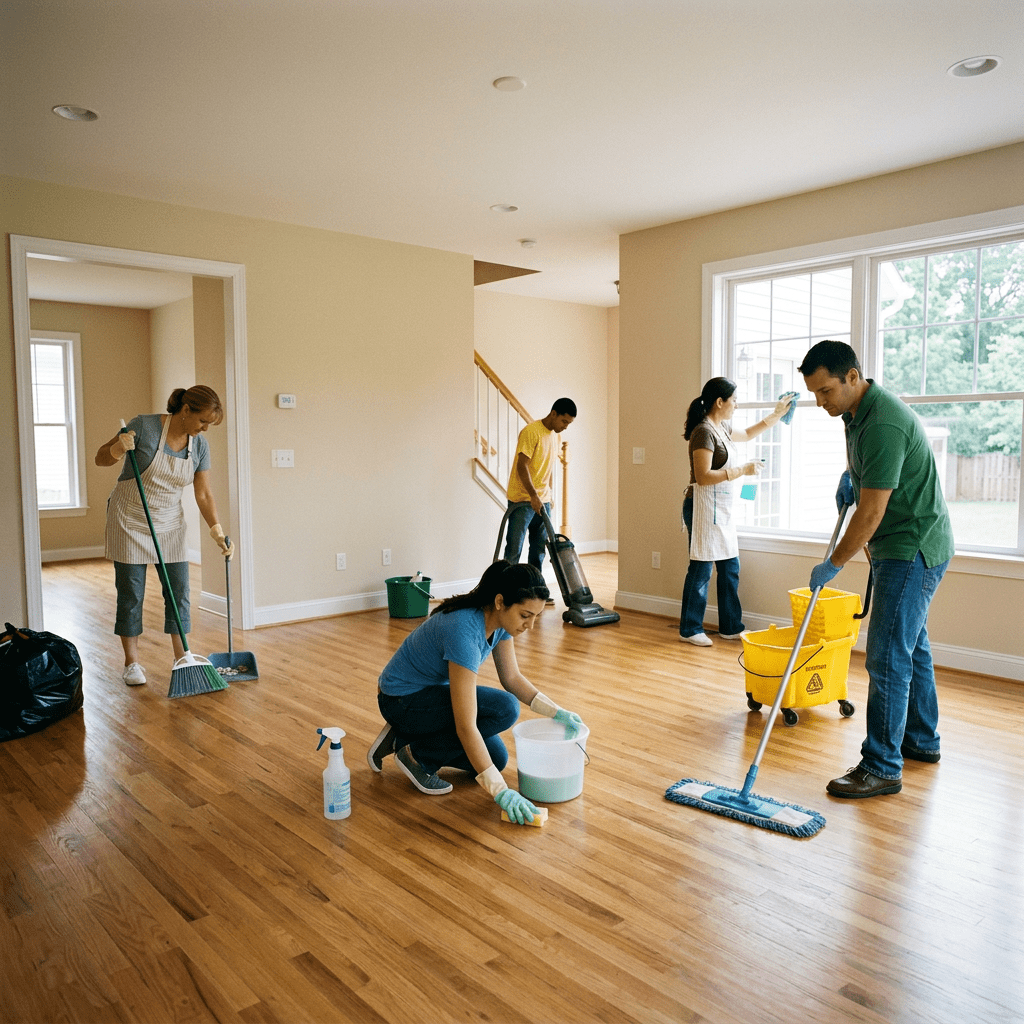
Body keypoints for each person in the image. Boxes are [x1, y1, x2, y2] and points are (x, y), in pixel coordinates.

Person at [799, 340, 954, 799]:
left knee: (887, 655)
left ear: (853, 377)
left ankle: (883, 765)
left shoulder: (883, 422)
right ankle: (920, 741)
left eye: (826, 391)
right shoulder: (856, 414)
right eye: (814, 394)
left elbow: (870, 514)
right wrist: (855, 476)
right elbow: (872, 482)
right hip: (908, 542)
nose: (820, 402)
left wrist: (834, 563)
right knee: (911, 646)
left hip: (912, 547)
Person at [367, 560, 585, 825]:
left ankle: (405, 735)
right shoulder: (464, 630)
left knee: (496, 758)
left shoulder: (500, 624)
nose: (530, 625)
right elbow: (466, 726)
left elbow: (512, 678)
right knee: (504, 708)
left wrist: (557, 711)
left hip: (427, 695)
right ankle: (416, 757)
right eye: (525, 615)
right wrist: (501, 792)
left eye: (536, 616)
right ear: (499, 602)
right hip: (400, 699)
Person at [96, 385, 234, 686]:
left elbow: (204, 493)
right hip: (129, 518)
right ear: (186, 411)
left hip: (169, 521)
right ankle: (132, 663)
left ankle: (182, 656)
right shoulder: (143, 426)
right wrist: (119, 448)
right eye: (202, 421)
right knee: (131, 593)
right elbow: (101, 458)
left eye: (210, 424)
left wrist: (217, 531)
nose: (205, 429)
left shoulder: (198, 446)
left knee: (179, 592)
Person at [679, 378, 795, 646]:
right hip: (702, 507)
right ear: (720, 402)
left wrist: (777, 414)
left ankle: (731, 626)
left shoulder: (722, 428)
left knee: (730, 567)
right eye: (734, 400)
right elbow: (703, 476)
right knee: (701, 568)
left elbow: (750, 433)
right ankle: (690, 628)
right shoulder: (703, 432)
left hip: (721, 509)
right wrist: (742, 469)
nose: (737, 405)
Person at [503, 398, 576, 576]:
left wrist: (548, 498)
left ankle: (535, 590)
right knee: (514, 548)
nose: (565, 426)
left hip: (542, 501)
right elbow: (522, 466)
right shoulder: (531, 432)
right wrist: (533, 496)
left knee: (538, 550)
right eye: (564, 421)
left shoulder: (555, 437)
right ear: (553, 414)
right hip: (522, 499)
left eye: (569, 423)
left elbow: (547, 469)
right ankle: (504, 591)